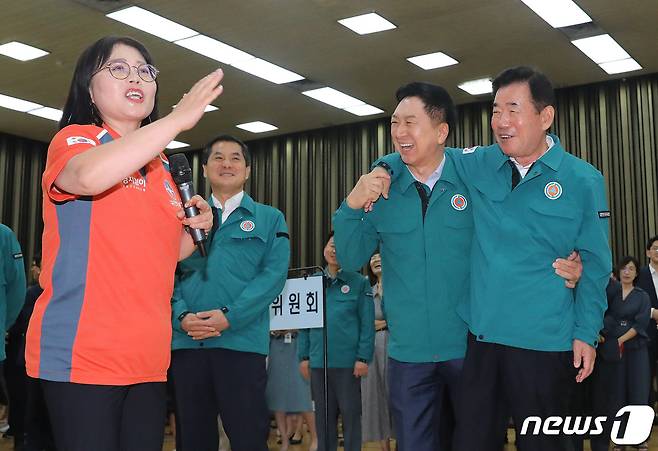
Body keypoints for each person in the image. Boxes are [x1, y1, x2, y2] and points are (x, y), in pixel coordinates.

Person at [333, 80, 582, 451]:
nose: (399, 132)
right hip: (409, 353)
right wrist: (352, 204)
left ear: (441, 131)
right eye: (394, 123)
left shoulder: (474, 174)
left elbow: (523, 212)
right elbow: (351, 259)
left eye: (410, 123)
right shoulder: (380, 189)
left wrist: (565, 260)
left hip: (471, 348)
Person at [24, 36, 220, 451]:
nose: (136, 77)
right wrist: (177, 120)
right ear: (89, 89)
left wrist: (199, 226)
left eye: (145, 71)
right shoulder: (77, 140)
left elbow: (167, 253)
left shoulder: (164, 166)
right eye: (118, 68)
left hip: (147, 356)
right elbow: (88, 179)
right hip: (84, 352)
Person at [170, 134, 290, 451]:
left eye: (236, 158)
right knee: (192, 439)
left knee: (249, 436)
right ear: (205, 169)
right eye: (218, 157)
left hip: (241, 345)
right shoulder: (182, 220)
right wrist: (180, 316)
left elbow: (273, 277)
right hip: (187, 343)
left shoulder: (269, 218)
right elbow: (165, 274)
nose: (227, 164)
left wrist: (230, 317)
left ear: (248, 171)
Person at [298, 232, 375, 451]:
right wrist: (303, 357)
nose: (334, 250)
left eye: (341, 247)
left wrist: (363, 357)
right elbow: (304, 323)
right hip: (318, 363)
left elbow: (367, 324)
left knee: (351, 417)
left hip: (348, 364)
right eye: (332, 245)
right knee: (323, 418)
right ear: (324, 248)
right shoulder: (311, 282)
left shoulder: (359, 283)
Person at [591, 256, 651, 451]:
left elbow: (640, 323)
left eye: (631, 269)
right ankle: (620, 438)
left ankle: (639, 437)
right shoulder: (611, 293)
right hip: (612, 351)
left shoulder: (642, 295)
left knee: (638, 391)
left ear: (636, 273)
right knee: (617, 393)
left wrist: (620, 340)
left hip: (636, 350)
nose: (627, 272)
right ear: (618, 271)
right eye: (624, 268)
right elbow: (601, 315)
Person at [361, 252, 394, 451]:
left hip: (394, 346)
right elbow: (363, 324)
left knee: (395, 394)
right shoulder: (367, 292)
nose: (375, 260)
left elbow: (401, 319)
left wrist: (380, 323)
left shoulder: (398, 289)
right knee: (375, 397)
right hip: (372, 349)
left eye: (380, 255)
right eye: (372, 257)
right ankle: (384, 446)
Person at [265, 329, 318, 451]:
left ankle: (315, 438)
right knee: (277, 395)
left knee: (303, 393)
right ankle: (284, 440)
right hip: (276, 344)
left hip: (298, 344)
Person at [637, 235, 658, 408]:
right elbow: (636, 302)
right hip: (648, 331)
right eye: (655, 248)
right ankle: (649, 413)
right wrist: (653, 313)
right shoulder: (641, 274)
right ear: (648, 252)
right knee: (648, 373)